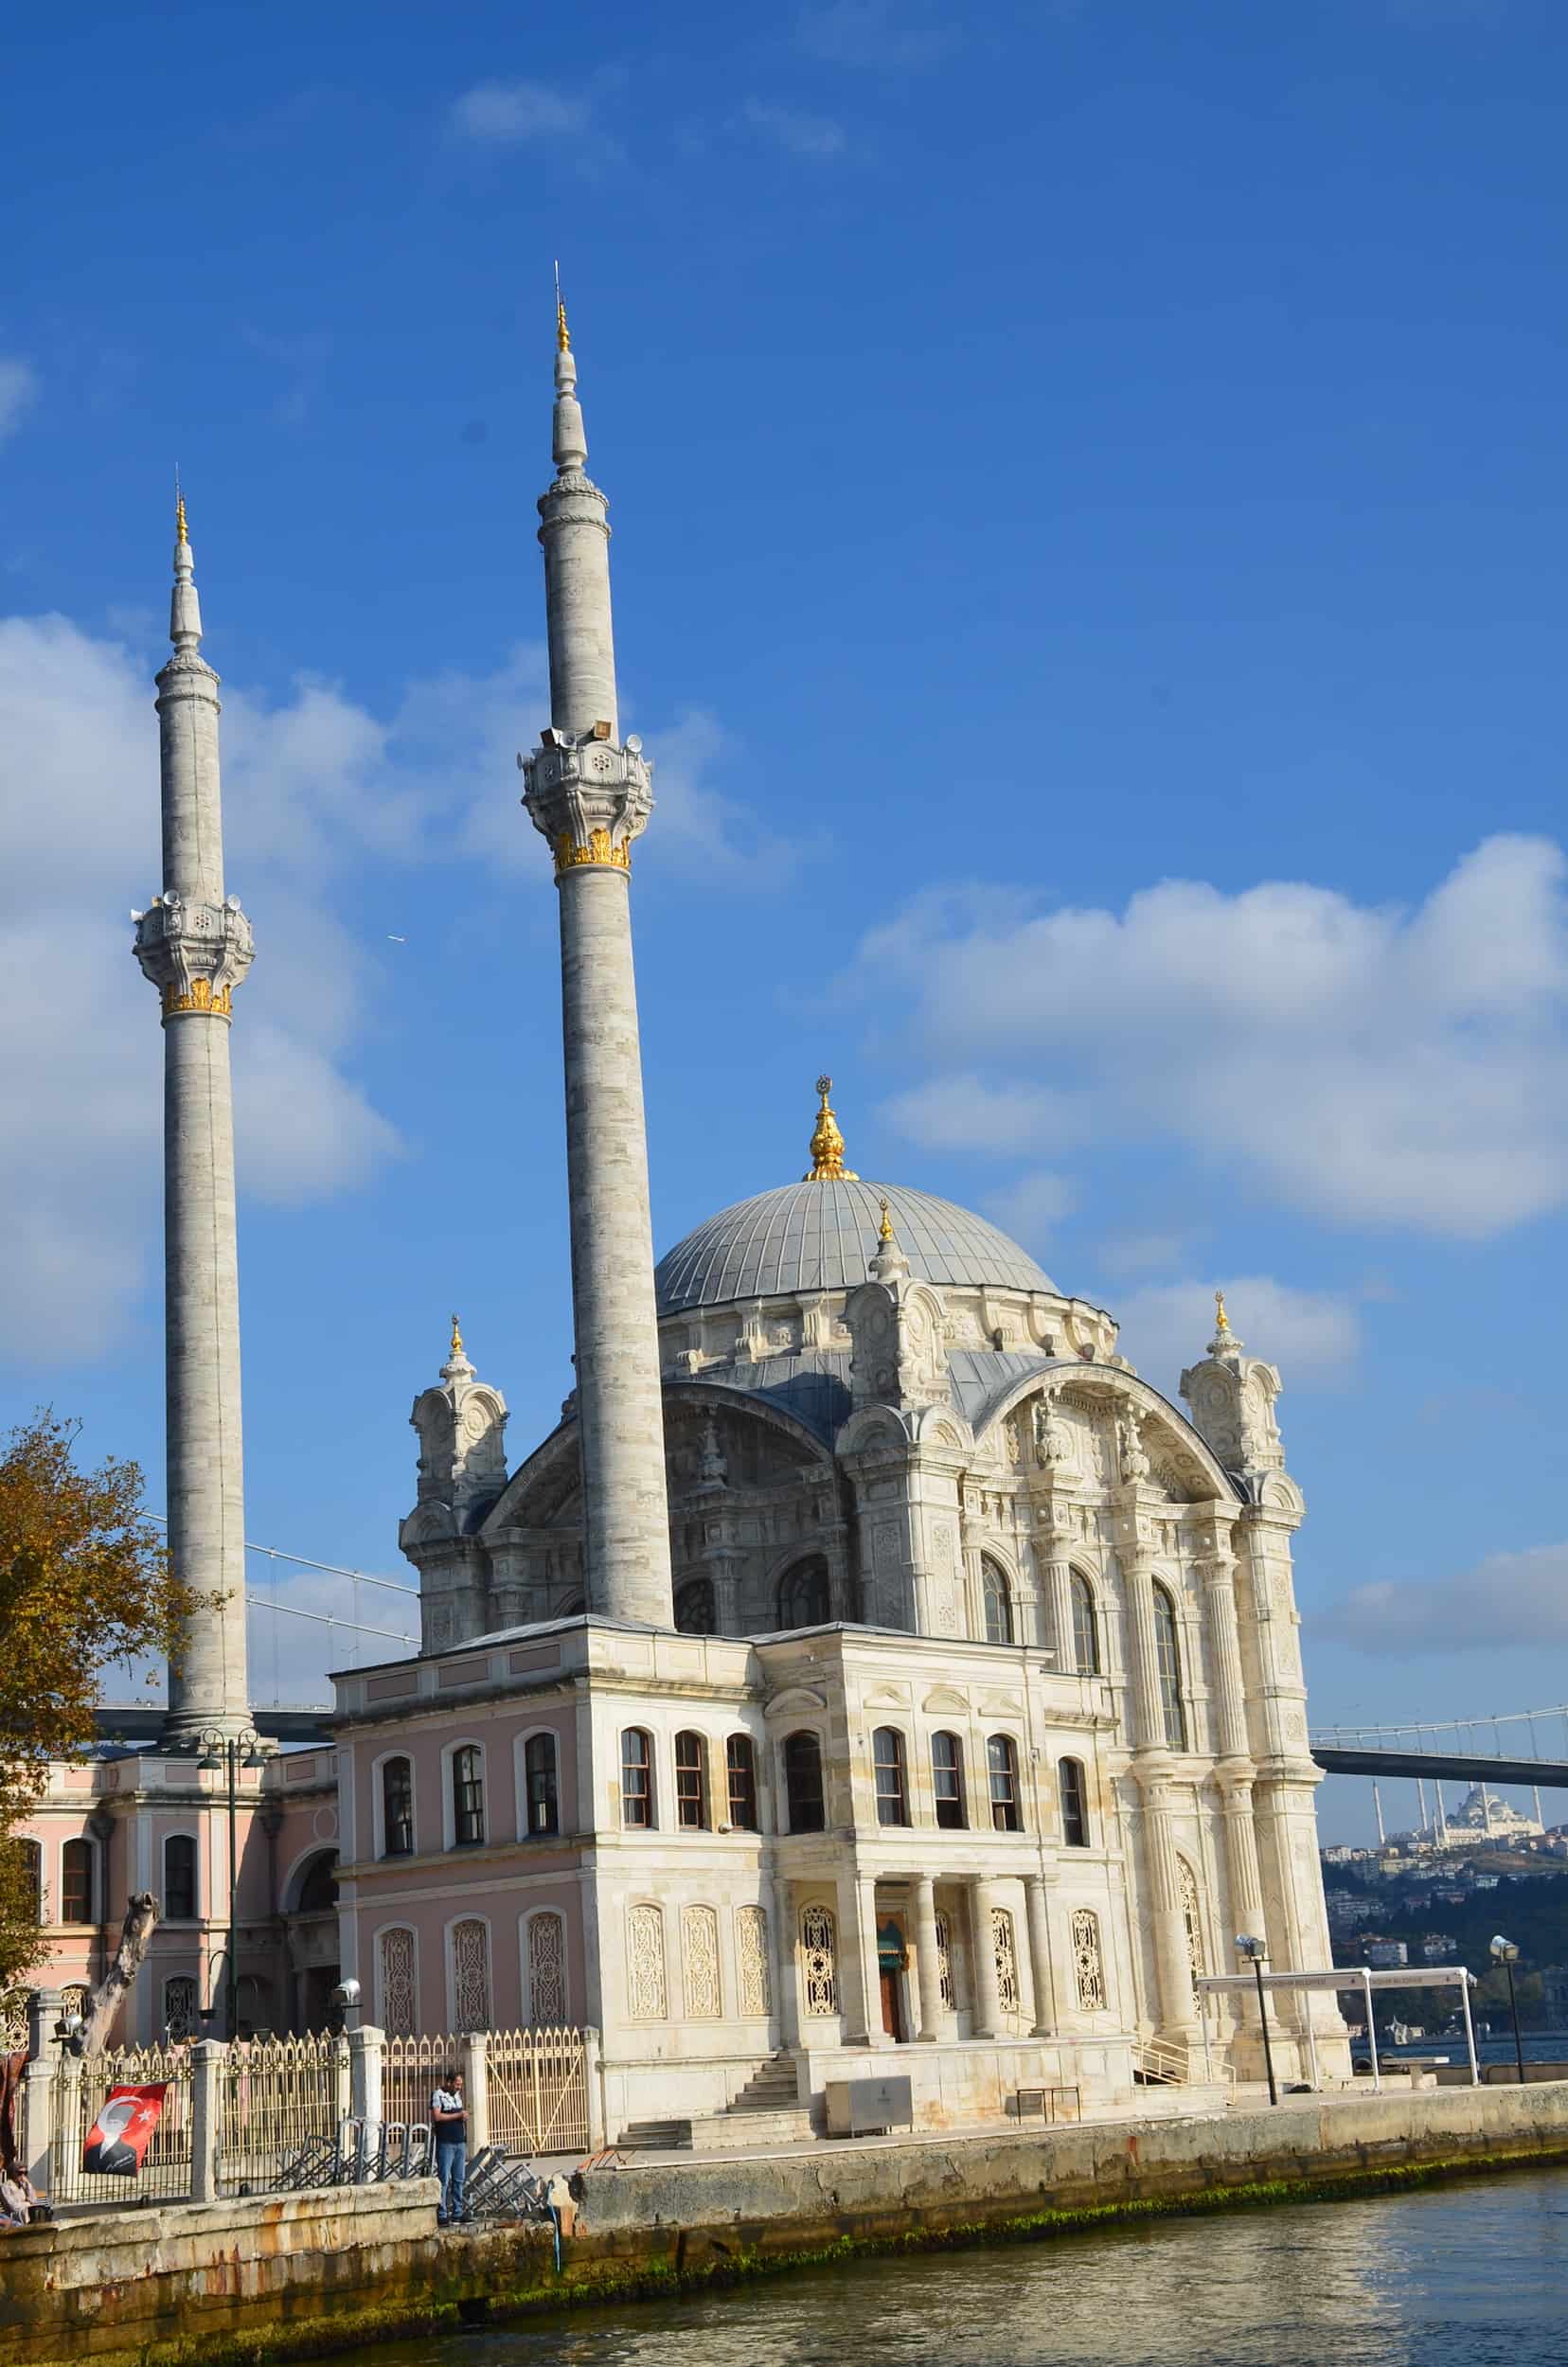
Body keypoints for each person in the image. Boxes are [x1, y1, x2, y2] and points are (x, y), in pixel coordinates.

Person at [429, 2067, 467, 2225]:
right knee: (444, 2178)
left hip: (459, 2142)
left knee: (459, 2179)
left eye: (460, 2084)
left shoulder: (457, 2096)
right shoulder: (438, 2095)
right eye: (457, 2084)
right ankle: (442, 2212)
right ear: (449, 2082)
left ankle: (458, 2211)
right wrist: (458, 2115)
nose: (459, 2087)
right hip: (445, 2143)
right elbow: (436, 2116)